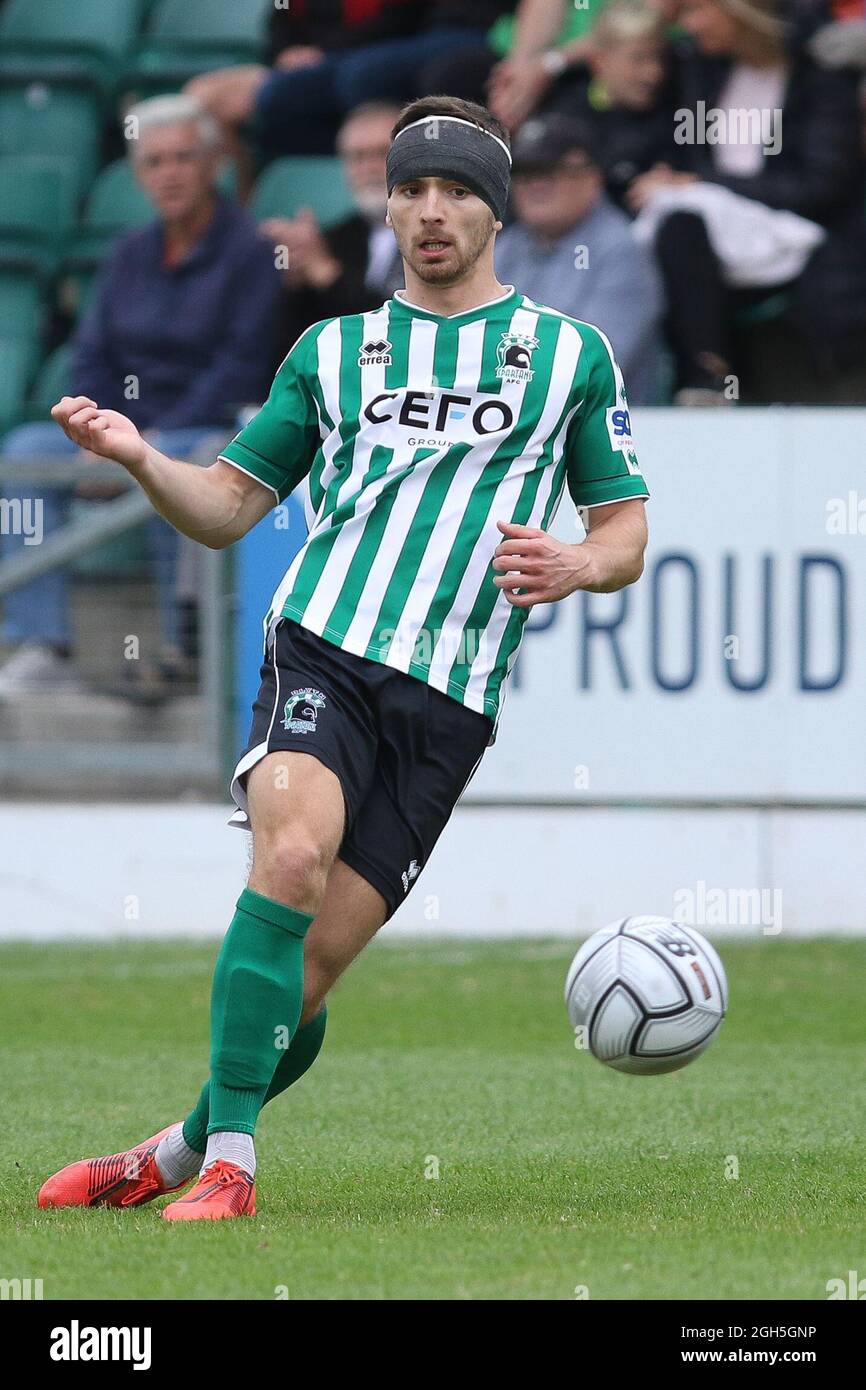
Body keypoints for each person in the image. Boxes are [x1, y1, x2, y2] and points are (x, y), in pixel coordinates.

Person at [37, 96, 649, 1221]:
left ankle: (171, 1153)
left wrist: (577, 562)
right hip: (322, 644)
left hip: (449, 699)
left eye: (455, 190)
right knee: (291, 858)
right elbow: (225, 508)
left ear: (493, 208)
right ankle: (235, 1166)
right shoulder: (335, 348)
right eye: (409, 188)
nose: (429, 211)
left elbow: (623, 531)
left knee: (305, 977)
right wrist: (137, 457)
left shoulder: (569, 356)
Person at [0, 95, 281, 699]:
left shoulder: (252, 251)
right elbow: (93, 354)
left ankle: (180, 648)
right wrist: (94, 434)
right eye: (155, 162)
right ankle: (43, 642)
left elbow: (242, 366)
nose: (170, 173)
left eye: (184, 157)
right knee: (26, 449)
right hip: (123, 431)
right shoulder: (129, 253)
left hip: (204, 426)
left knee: (184, 457)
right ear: (139, 175)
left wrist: (141, 444)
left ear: (213, 164)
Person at [627, 0, 866, 400]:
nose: (689, 26)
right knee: (675, 221)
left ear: (737, 11)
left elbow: (821, 186)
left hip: (802, 235)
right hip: (718, 240)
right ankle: (706, 381)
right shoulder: (701, 70)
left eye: (697, 11)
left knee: (683, 210)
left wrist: (703, 183)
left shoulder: (818, 77)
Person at [496, 113, 665, 403]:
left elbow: (589, 367)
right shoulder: (506, 246)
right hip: (509, 422)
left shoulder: (622, 249)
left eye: (551, 171)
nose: (536, 184)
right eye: (525, 172)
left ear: (592, 178)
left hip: (599, 432)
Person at [259, 102, 403, 352]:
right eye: (356, 157)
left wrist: (326, 274)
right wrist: (294, 285)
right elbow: (292, 348)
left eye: (381, 154)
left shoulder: (434, 231)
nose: (368, 168)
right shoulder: (334, 239)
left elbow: (403, 329)